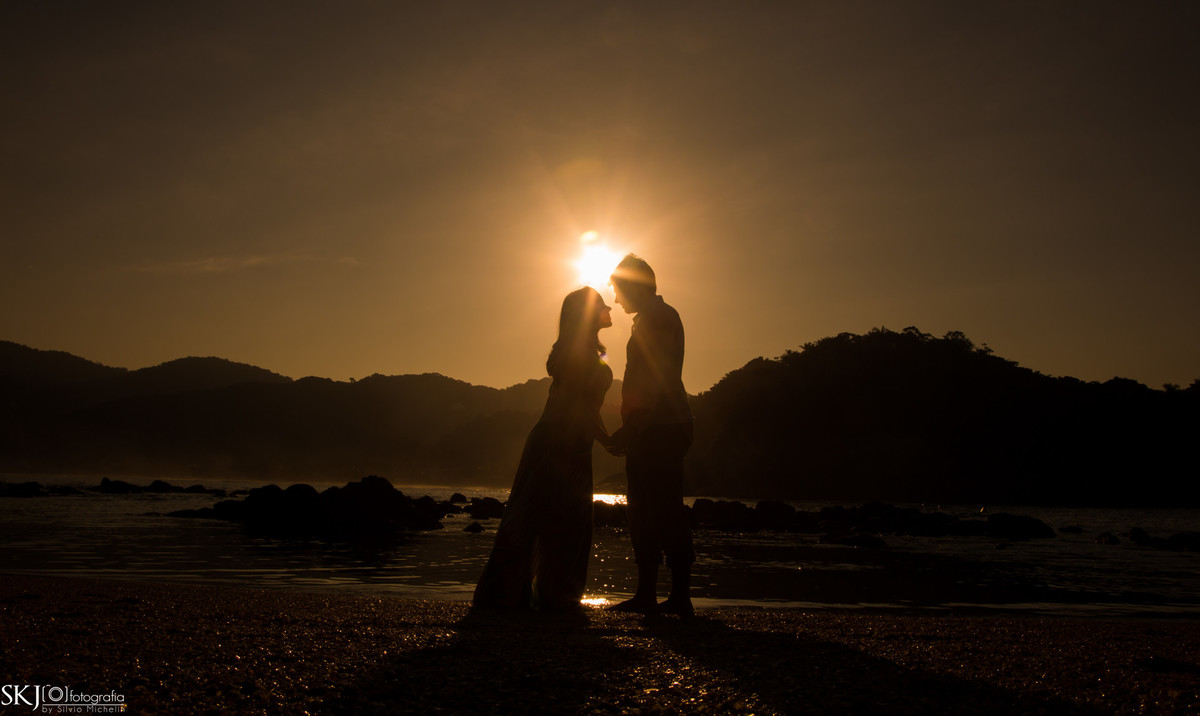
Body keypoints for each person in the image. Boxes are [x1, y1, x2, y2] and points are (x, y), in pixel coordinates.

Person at [472, 286, 614, 610]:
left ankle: (545, 597)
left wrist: (604, 436)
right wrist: (605, 438)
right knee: (542, 518)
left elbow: (588, 409)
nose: (610, 308)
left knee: (563, 520)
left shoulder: (587, 353)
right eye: (601, 305)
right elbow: (576, 407)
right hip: (556, 440)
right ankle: (535, 598)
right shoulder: (577, 354)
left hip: (573, 442)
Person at [605, 254, 695, 616]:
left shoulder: (658, 318)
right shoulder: (652, 318)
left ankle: (677, 596)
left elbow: (657, 375)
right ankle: (652, 594)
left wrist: (632, 425)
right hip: (655, 425)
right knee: (646, 508)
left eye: (617, 290)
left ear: (634, 286)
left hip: (662, 426)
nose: (615, 299)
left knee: (661, 508)